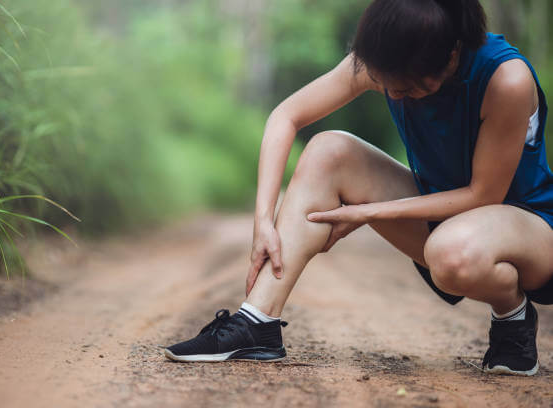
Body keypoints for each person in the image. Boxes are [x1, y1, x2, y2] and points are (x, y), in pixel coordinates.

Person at [164, 0, 553, 376]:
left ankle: (511, 314)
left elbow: (482, 196)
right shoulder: (388, 60)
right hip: (445, 222)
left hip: (528, 229)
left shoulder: (506, 80)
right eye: (387, 87)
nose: (394, 95)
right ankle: (257, 321)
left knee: (451, 253)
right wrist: (263, 220)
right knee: (328, 150)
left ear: (451, 57)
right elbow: (286, 115)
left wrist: (368, 212)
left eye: (406, 90)